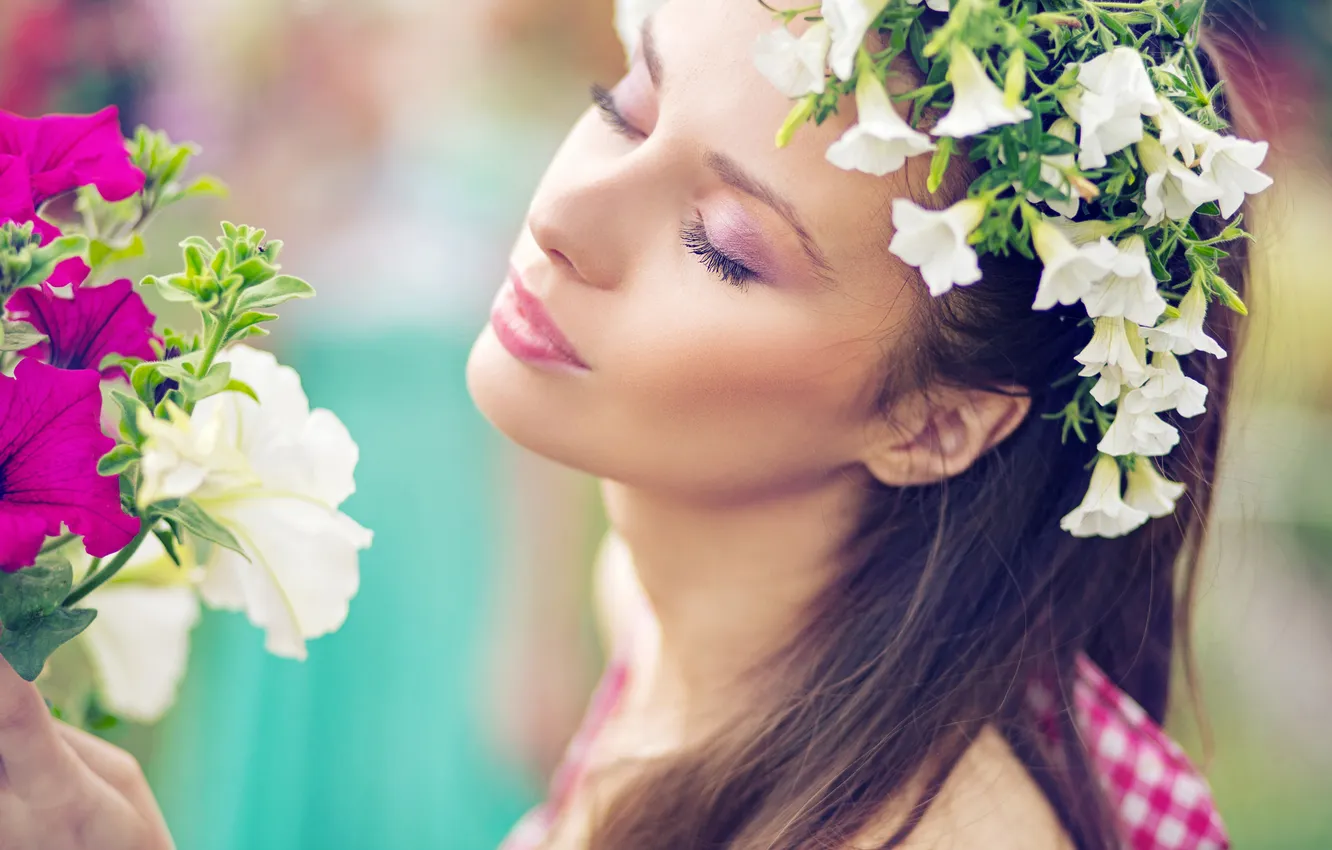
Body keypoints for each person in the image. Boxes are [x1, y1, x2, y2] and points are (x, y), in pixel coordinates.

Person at [0, 0, 1261, 848]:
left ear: (934, 421)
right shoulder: (662, 616)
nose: (565, 216)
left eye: (723, 247)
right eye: (625, 105)